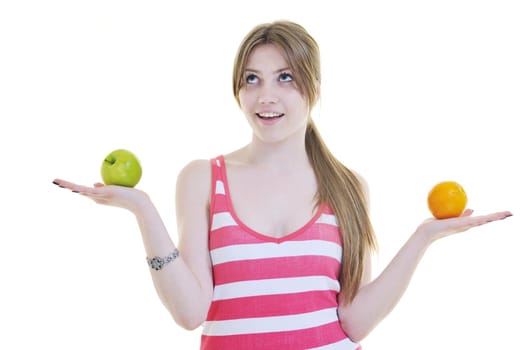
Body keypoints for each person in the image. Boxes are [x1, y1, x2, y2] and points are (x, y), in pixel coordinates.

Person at [53, 20, 512, 349]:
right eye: (251, 79)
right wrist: (143, 210)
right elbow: (190, 313)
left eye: (285, 78)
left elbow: (354, 320)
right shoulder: (201, 178)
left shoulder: (348, 187)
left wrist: (424, 237)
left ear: (313, 88)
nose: (265, 96)